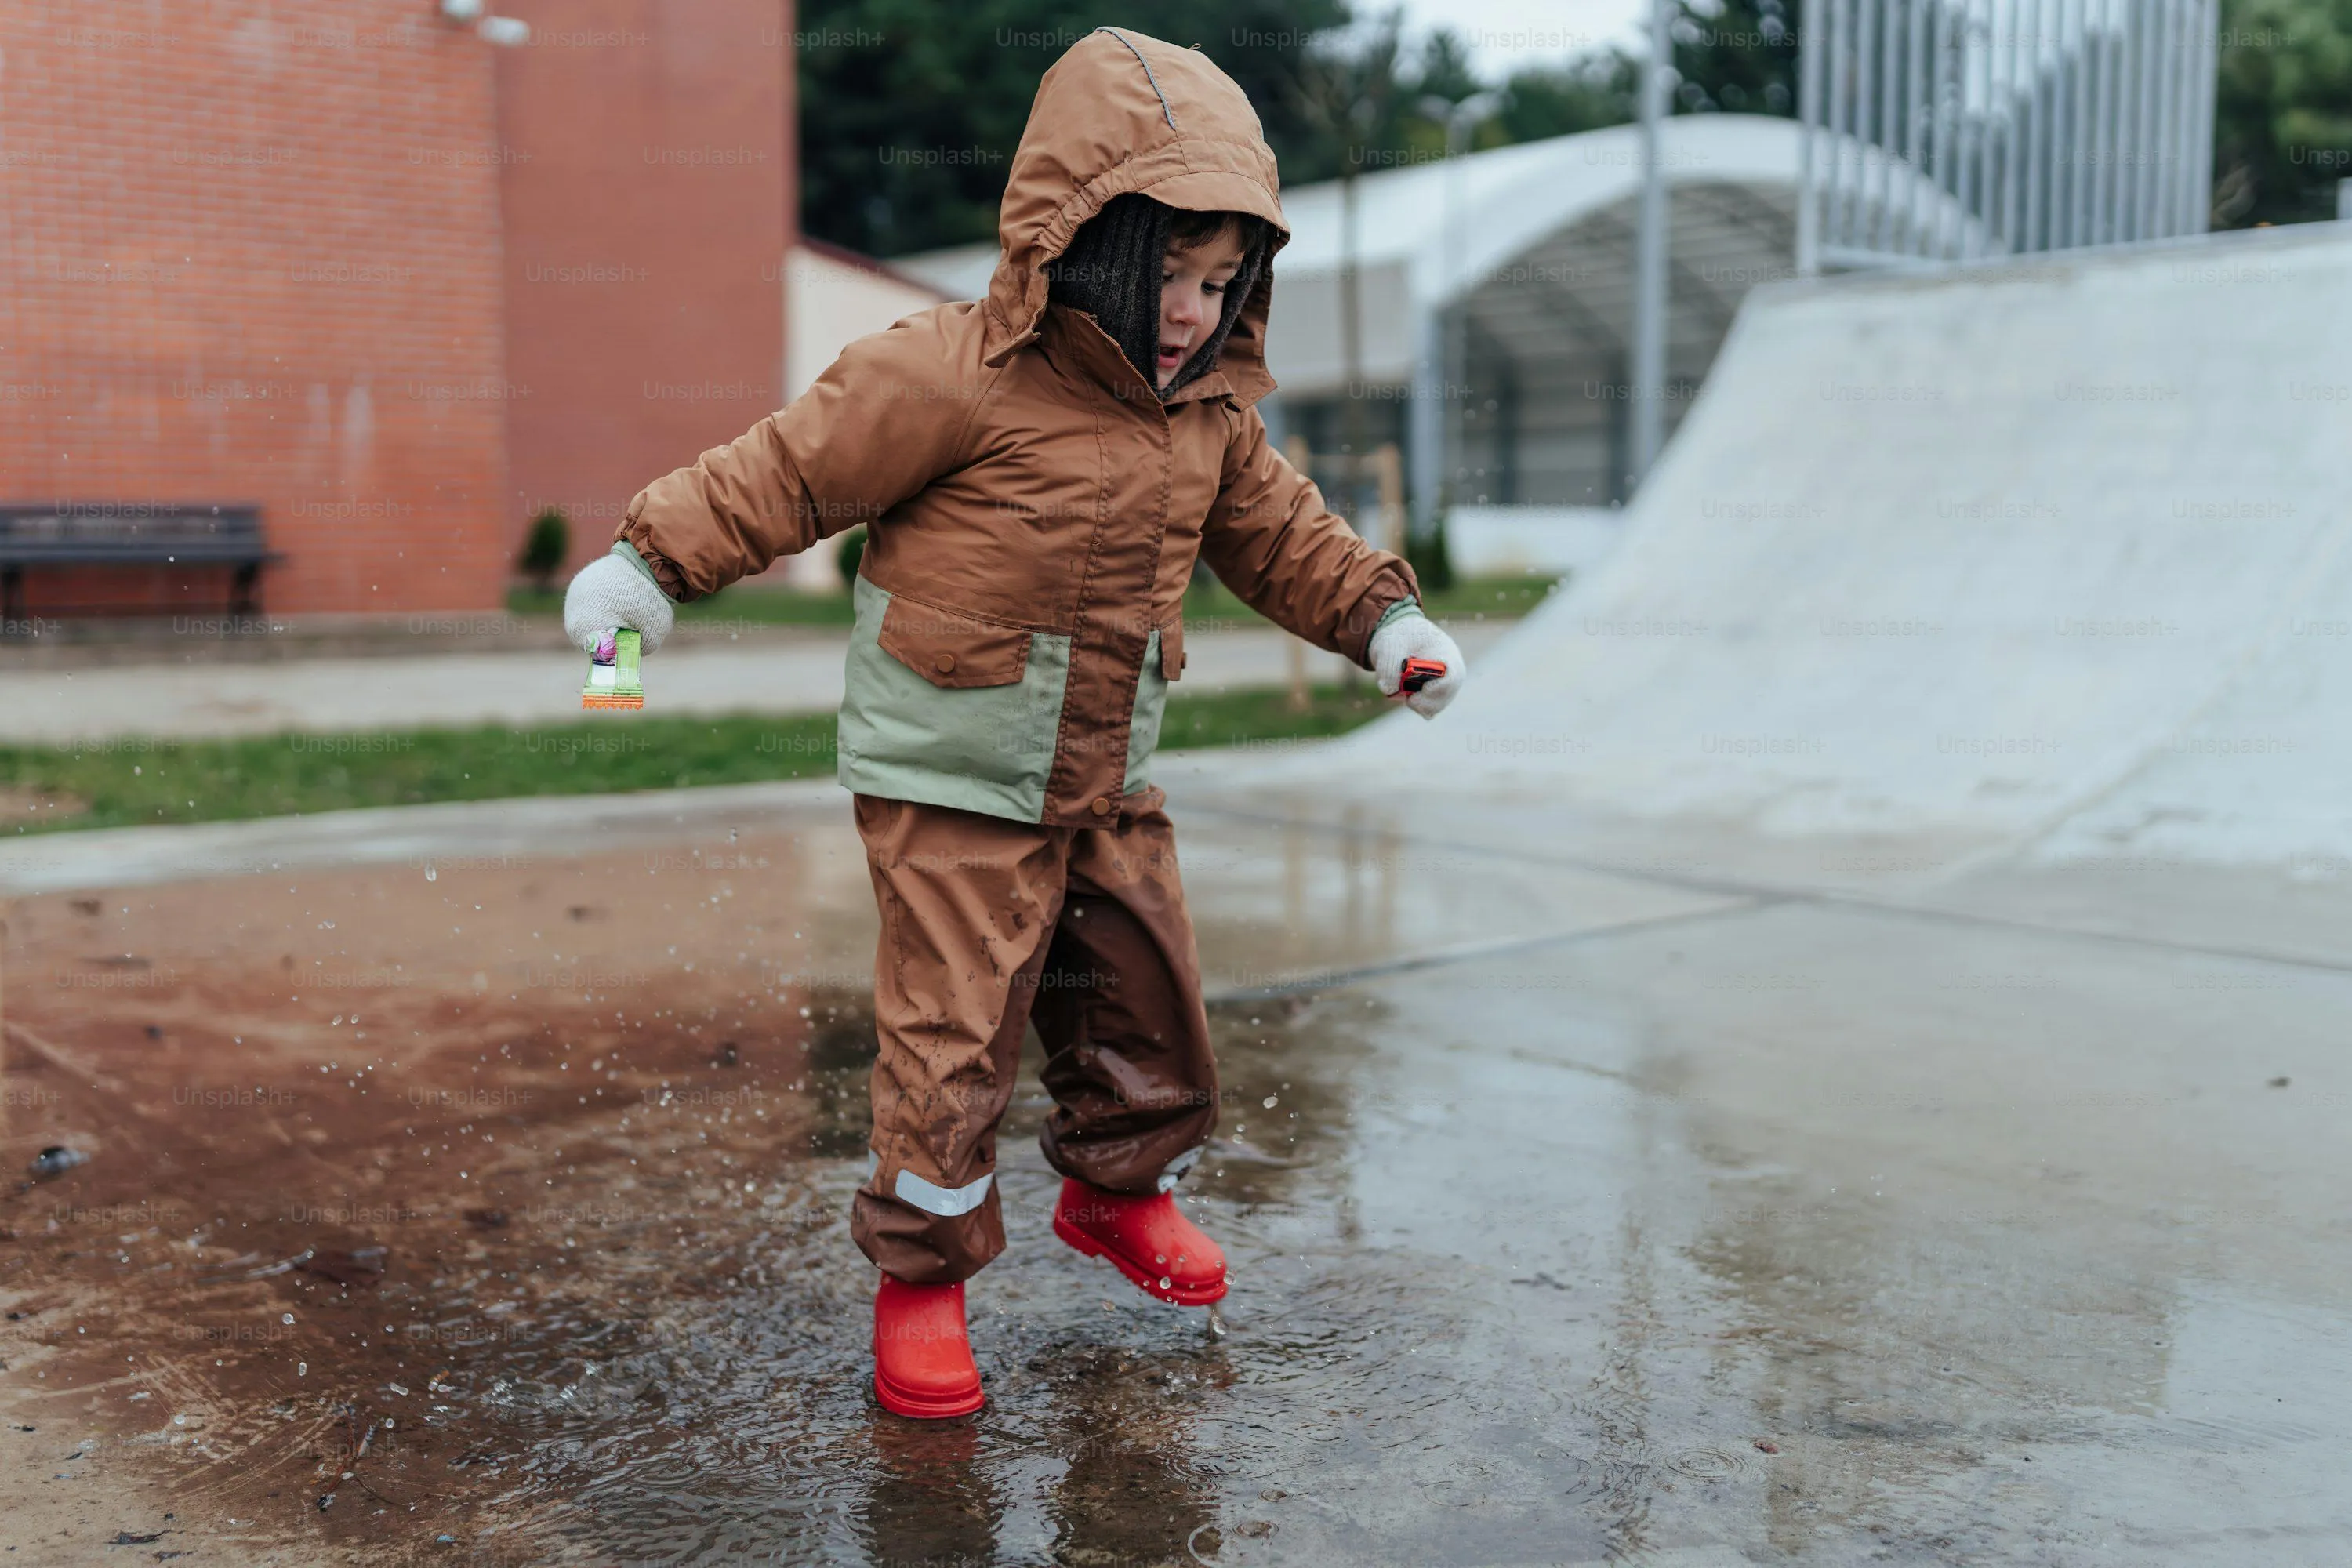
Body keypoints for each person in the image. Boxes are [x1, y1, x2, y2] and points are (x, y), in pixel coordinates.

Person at [562, 27, 1465, 1419]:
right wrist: (648, 567)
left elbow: (1289, 539)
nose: (1189, 310)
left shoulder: (1211, 417)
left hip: (1104, 771)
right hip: (950, 770)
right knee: (954, 1040)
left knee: (1148, 1000)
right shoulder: (953, 374)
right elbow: (786, 472)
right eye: (1168, 270)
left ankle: (1119, 1194)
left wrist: (1385, 623)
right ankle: (923, 1282)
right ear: (1085, 238)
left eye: (1223, 281)